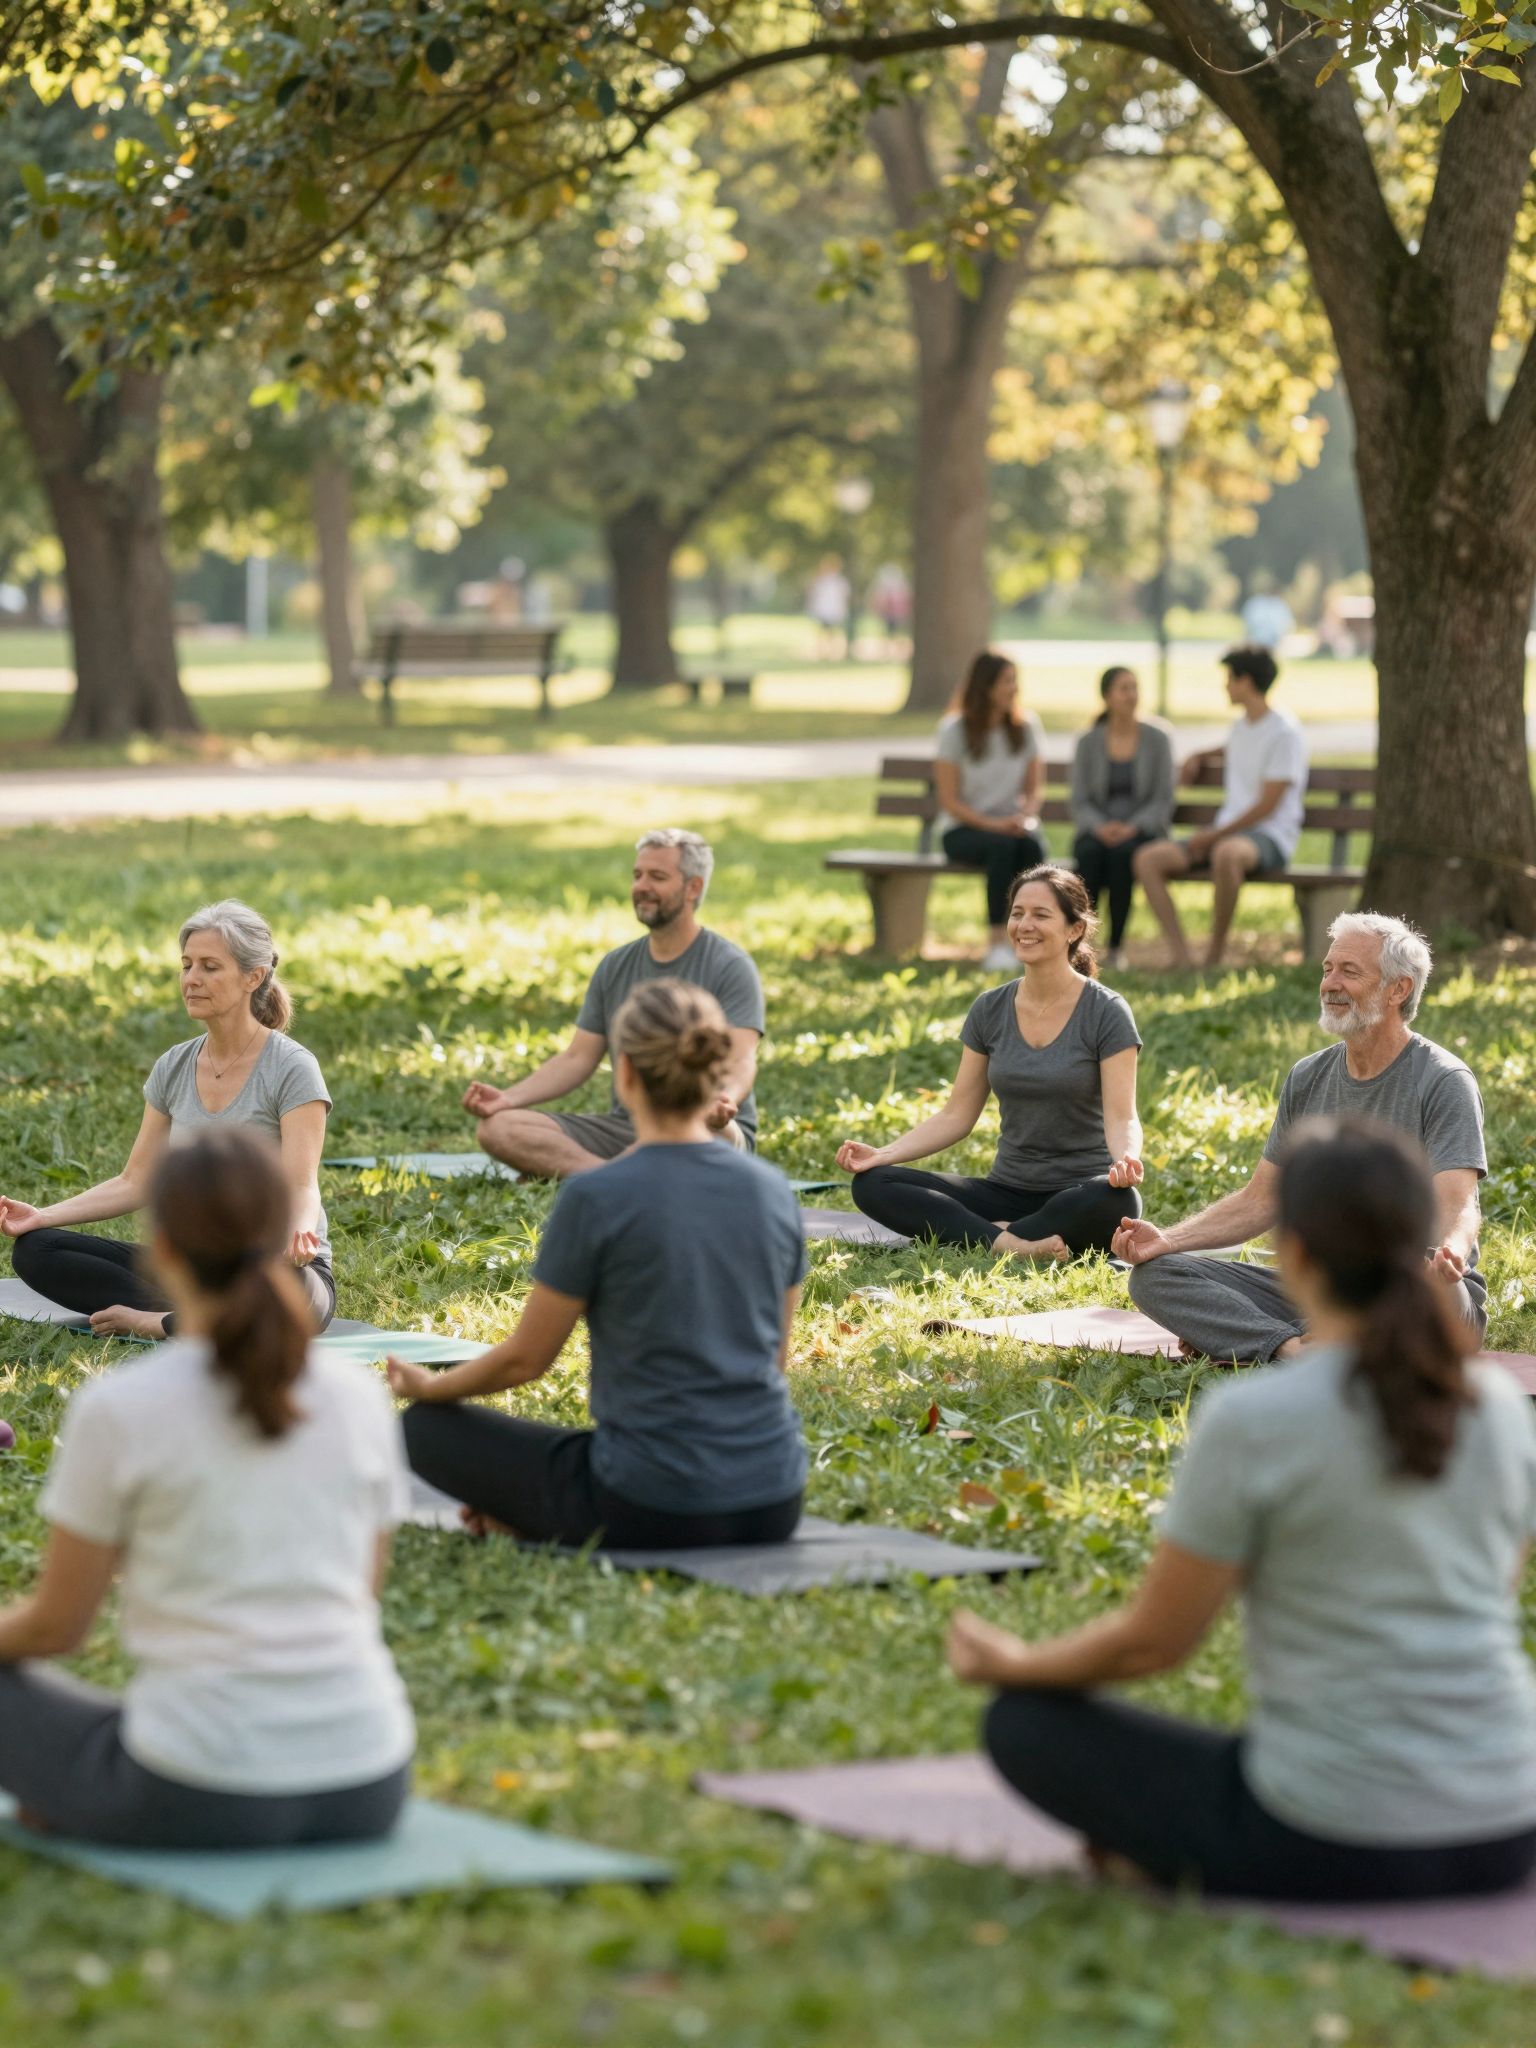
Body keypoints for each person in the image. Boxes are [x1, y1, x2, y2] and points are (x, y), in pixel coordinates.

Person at [949, 1118, 1536, 1904]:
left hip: (1329, 1836)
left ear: (1293, 1254)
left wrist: (1016, 1666)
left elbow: (1152, 1645)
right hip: (1506, 1826)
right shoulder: (1499, 1408)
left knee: (1022, 1725)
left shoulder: (1256, 1419)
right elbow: (1487, 1601)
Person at [0, 1129, 414, 1848]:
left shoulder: (121, 1409)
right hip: (369, 1782)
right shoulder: (359, 1398)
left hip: (193, 1790)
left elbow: (55, 1629)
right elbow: (361, 1591)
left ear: (161, 1252)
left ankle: (73, 1792)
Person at [394, 981, 807, 1550]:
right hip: (774, 1500)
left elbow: (525, 1361)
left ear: (628, 1072)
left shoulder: (598, 1196)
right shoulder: (774, 1191)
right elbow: (775, 1359)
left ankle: (528, 1515)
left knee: (424, 1428)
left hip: (648, 1504)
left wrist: (431, 1387)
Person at [1116, 912, 1487, 1361]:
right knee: (1156, 1276)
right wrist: (1169, 1241)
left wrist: (1449, 1252)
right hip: (1320, 1286)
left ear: (1399, 989)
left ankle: (1286, 1336)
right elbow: (1262, 1200)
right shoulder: (1308, 1076)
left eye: (1350, 971)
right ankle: (1293, 1346)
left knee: (1432, 1300)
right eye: (1327, 969)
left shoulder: (1444, 1079)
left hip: (1411, 1285)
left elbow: (1457, 1203)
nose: (1330, 983)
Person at [0, 900, 336, 1338]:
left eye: (210, 967)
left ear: (253, 977)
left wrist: (298, 1235)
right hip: (191, 1267)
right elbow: (136, 1179)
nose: (192, 979)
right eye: (187, 965)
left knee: (290, 1293)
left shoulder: (292, 1067)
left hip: (270, 1264)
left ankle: (160, 1322)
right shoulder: (174, 1066)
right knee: (36, 1251)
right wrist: (42, 1216)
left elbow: (299, 1185)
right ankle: (208, 1316)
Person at [835, 867, 1143, 1260]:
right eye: (1017, 913)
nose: (1024, 925)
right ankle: (1014, 1242)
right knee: (873, 1183)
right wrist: (884, 1154)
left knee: (1116, 1202)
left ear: (1074, 929)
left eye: (1041, 915)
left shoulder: (1106, 1011)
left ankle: (979, 1235)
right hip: (1004, 1190)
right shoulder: (990, 1008)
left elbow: (1122, 1117)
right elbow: (956, 1115)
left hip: (1079, 1193)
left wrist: (1126, 1159)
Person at [463, 829, 765, 1176]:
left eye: (658, 876)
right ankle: (610, 1176)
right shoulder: (615, 965)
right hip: (630, 1127)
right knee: (499, 1128)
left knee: (712, 1136)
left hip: (703, 1124)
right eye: (637, 875)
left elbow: (741, 1059)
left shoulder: (730, 965)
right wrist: (507, 1099)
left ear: (693, 888)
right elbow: (577, 1058)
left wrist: (723, 1100)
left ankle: (619, 1175)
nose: (642, 886)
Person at [1133, 646, 1307, 970]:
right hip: (1226, 835)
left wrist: (1214, 835)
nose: (1225, 686)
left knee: (1226, 854)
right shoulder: (1243, 726)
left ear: (1247, 681)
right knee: (1147, 860)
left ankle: (1214, 954)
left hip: (1268, 838)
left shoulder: (1285, 733)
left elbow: (1268, 806)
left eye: (1230, 678)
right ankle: (1182, 956)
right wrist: (1199, 756)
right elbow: (1235, 749)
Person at [933, 651, 1047, 972]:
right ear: (986, 687)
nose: (1015, 689)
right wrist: (994, 825)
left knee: (1032, 846)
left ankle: (1033, 939)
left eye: (1015, 681)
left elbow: (1035, 788)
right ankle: (997, 942)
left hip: (1011, 826)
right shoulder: (953, 731)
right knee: (1002, 847)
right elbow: (950, 800)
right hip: (963, 829)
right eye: (1007, 682)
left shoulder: (1026, 727)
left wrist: (1024, 817)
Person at [1069, 667, 1175, 970]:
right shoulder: (1088, 742)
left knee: (1123, 858)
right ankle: (1081, 943)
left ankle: (1115, 947)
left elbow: (1163, 798)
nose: (1131, 695)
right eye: (1123, 688)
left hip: (1142, 831)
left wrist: (1133, 827)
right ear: (1106, 697)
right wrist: (1100, 826)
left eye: (1134, 687)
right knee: (1089, 854)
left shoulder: (1158, 738)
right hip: (1097, 829)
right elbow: (1079, 799)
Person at [807, 556, 852, 657]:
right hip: (824, 610)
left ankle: (831, 652)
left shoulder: (839, 581)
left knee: (832, 632)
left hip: (834, 610)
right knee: (823, 631)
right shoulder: (820, 580)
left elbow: (845, 596)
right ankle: (822, 652)